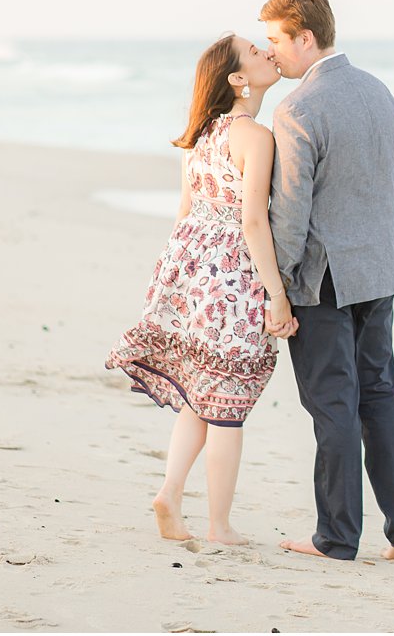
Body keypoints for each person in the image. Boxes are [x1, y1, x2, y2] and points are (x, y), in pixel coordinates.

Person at [104, 33, 297, 545]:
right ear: (237, 79)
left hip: (189, 270)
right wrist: (277, 296)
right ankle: (219, 525)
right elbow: (254, 222)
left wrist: (174, 284)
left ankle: (170, 493)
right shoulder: (253, 135)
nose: (267, 53)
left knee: (199, 397)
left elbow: (185, 214)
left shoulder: (200, 135)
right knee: (227, 408)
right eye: (255, 52)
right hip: (232, 278)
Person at [260, 0, 394, 561]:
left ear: (306, 37)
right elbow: (385, 183)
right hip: (378, 265)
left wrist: (274, 284)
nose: (272, 52)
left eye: (277, 40)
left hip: (324, 276)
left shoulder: (298, 108)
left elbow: (290, 210)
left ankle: (335, 538)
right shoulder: (379, 93)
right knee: (380, 394)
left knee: (334, 403)